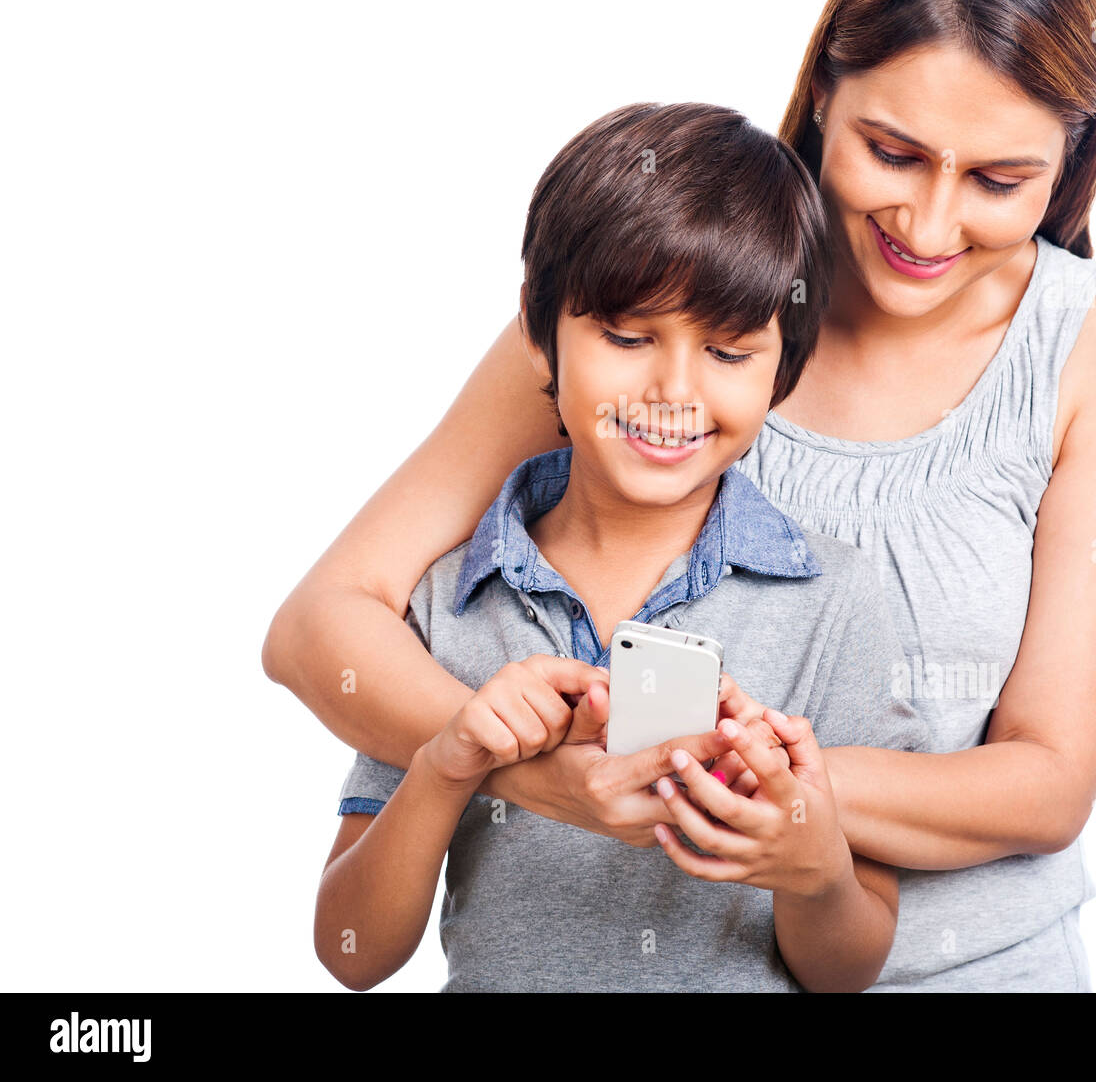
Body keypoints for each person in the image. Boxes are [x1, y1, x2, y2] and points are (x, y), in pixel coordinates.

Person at [267, 0, 1096, 992]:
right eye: (891, 152)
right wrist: (529, 771)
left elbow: (1046, 784)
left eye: (999, 181)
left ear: (1071, 162)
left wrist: (743, 786)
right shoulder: (654, 300)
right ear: (821, 96)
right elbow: (320, 628)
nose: (931, 226)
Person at [313, 102, 929, 993]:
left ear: (782, 368)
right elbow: (350, 952)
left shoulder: (835, 599)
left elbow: (847, 970)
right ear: (539, 329)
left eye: (727, 351)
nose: (672, 389)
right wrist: (450, 758)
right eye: (628, 336)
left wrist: (812, 863)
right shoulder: (448, 602)